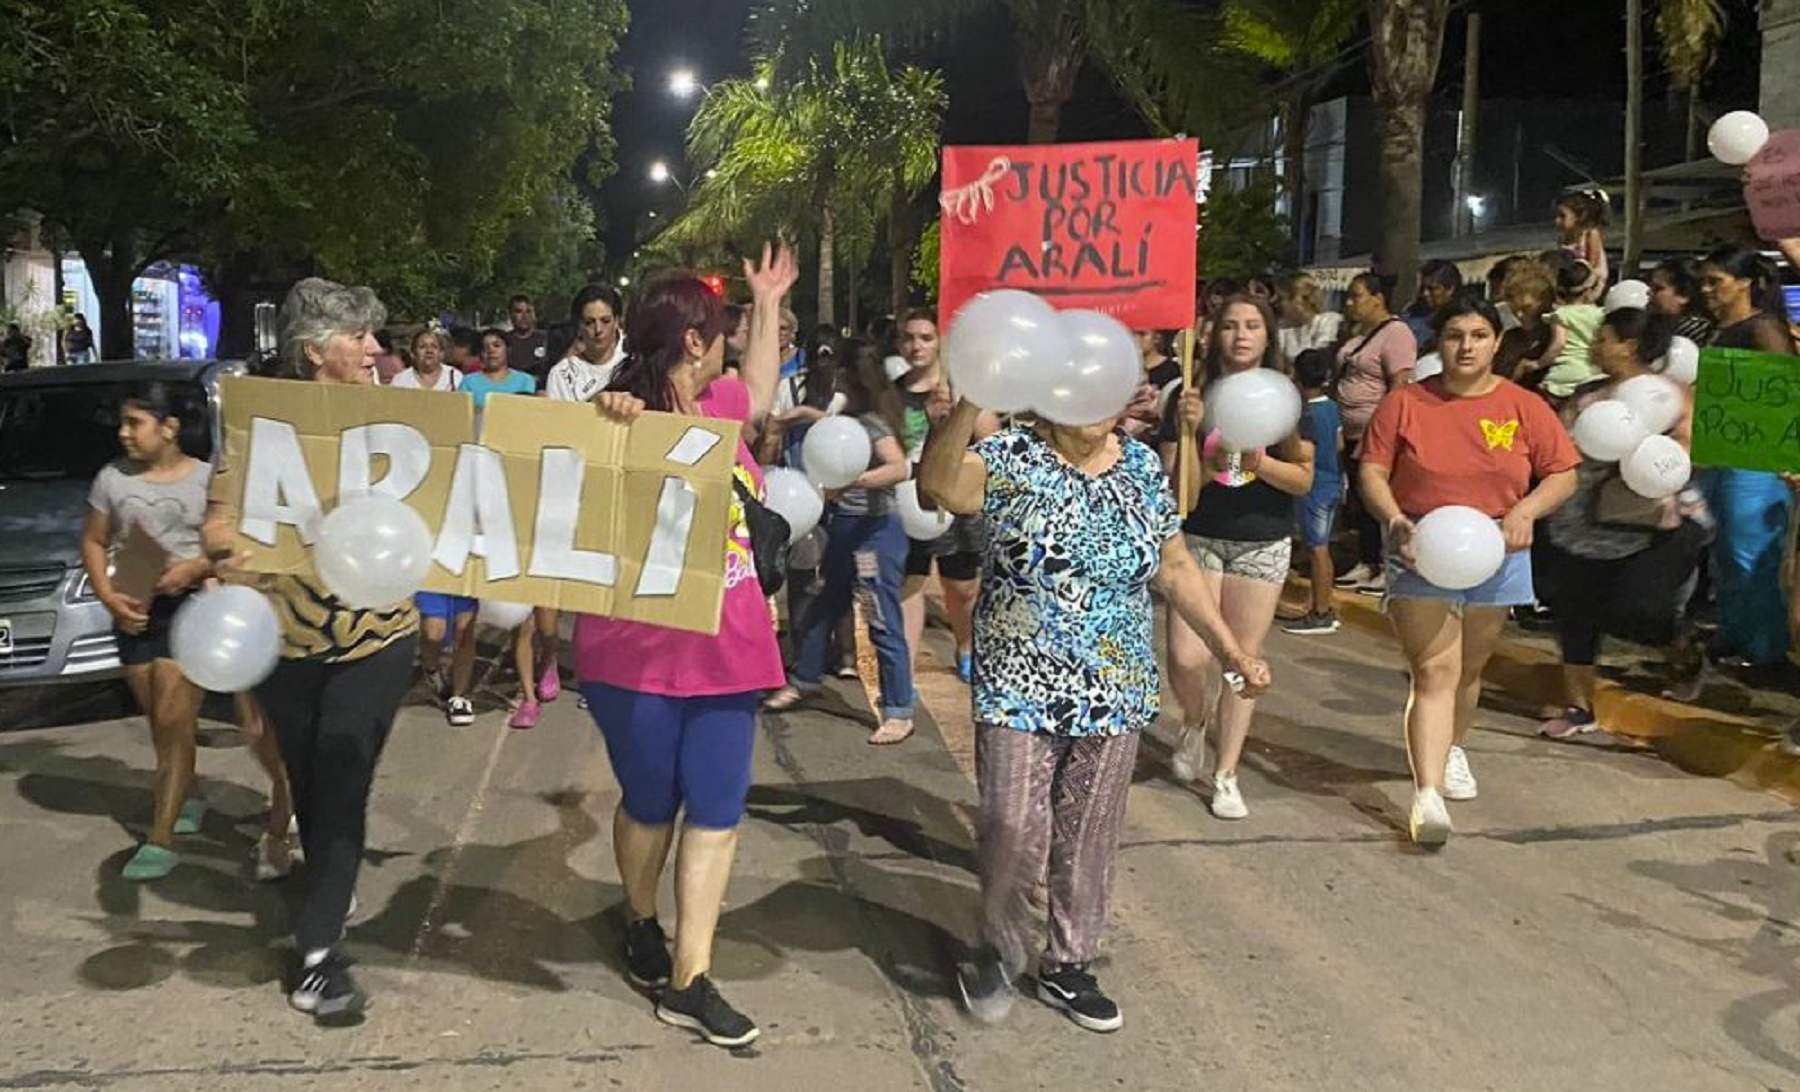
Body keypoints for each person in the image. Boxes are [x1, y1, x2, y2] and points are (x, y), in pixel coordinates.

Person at [918, 367, 1271, 1033]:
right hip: (1020, 679)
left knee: (1087, 834)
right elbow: (938, 486)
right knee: (1011, 824)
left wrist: (1231, 651)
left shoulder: (1139, 464)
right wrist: (969, 401)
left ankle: (1068, 962)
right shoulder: (1010, 455)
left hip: (1115, 684)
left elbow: (1173, 565)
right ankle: (999, 943)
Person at [576, 243, 798, 1048]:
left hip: (729, 649)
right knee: (649, 804)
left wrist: (768, 301)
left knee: (715, 809)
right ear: (694, 342)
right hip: (633, 655)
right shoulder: (613, 417)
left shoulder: (723, 409)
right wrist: (613, 428)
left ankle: (689, 978)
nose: (732, 340)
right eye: (722, 327)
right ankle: (640, 920)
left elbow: (766, 388)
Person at [204, 277, 420, 1020]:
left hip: (378, 638)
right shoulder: (259, 428)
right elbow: (219, 516)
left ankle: (319, 954)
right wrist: (223, 545)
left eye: (374, 336)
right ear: (314, 352)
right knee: (312, 785)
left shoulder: (404, 423)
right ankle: (332, 875)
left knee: (343, 766)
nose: (374, 350)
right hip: (289, 646)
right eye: (359, 337)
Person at [1358, 295, 1579, 846]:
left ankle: (1452, 745)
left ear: (1496, 343)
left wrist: (1527, 510)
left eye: (1478, 335)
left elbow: (1562, 473)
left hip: (1499, 548)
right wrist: (1394, 520)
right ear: (1440, 341)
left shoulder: (1523, 406)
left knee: (1470, 667)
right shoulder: (1405, 403)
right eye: (1455, 335)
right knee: (1435, 670)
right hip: (1422, 546)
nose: (1466, 346)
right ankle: (1426, 795)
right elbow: (1373, 471)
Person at [82, 382, 296, 882]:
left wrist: (195, 569)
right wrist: (108, 595)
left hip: (195, 610)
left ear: (170, 428)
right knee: (160, 721)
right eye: (123, 423)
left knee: (177, 719)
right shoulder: (111, 479)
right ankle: (190, 794)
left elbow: (235, 542)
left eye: (135, 423)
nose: (124, 433)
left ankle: (161, 837)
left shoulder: (207, 480)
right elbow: (95, 540)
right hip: (136, 607)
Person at [1158, 296, 1315, 819]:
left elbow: (1303, 478)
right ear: (1213, 335)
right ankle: (1194, 721)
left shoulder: (1289, 399)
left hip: (1262, 541)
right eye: (1229, 325)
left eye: (1252, 326)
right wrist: (1195, 435)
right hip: (1198, 537)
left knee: (1242, 660)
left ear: (1269, 336)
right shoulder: (1187, 395)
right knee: (1186, 655)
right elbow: (1175, 490)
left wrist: (1259, 462)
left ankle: (1226, 773)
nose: (1241, 335)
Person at [1536, 308, 1709, 736]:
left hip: (1652, 524)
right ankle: (1578, 706)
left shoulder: (1674, 395)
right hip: (1579, 523)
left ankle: (1683, 651)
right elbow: (1559, 447)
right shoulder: (1587, 394)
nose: (1595, 347)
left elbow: (1691, 449)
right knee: (1575, 611)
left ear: (1628, 346)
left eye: (1603, 339)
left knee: (1639, 611)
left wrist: (1647, 453)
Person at [765, 338, 916, 743]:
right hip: (847, 528)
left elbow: (899, 468)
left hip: (875, 533)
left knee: (878, 614)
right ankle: (807, 676)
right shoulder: (847, 417)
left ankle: (899, 708)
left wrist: (855, 480)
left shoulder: (872, 424)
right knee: (825, 602)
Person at [1697, 245, 1797, 669]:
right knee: (1722, 548)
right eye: (1704, 282)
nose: (1706, 290)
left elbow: (1786, 390)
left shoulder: (1765, 328)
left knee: (1750, 548)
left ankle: (1767, 644)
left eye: (1715, 282)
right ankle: (1733, 632)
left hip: (1759, 456)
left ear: (1743, 283)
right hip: (1718, 451)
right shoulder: (1713, 329)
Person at [896, 309, 998, 684]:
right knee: (909, 585)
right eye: (909, 337)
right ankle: (902, 668)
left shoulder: (963, 391)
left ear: (942, 343)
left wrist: (955, 420)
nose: (916, 346)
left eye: (926, 337)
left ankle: (966, 644)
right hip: (908, 505)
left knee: (962, 589)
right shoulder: (894, 393)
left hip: (956, 510)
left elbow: (993, 445)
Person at [1333, 272, 1416, 596]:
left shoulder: (1396, 333)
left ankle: (1385, 564)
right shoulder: (1358, 336)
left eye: (1357, 296)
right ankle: (1367, 560)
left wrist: (1386, 429)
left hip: (1375, 432)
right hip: (1351, 432)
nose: (1351, 303)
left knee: (1378, 498)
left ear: (1378, 298)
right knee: (1359, 502)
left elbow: (1399, 384)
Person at [1283, 348, 1345, 636]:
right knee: (1322, 548)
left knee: (1317, 549)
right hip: (1332, 482)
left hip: (1314, 486)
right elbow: (1341, 444)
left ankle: (1321, 611)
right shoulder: (1332, 408)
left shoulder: (1302, 413)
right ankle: (1321, 606)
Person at [1525, 251, 1605, 402]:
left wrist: (1538, 364)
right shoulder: (1600, 314)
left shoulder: (1561, 315)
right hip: (1593, 374)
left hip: (1564, 376)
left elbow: (1558, 344)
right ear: (1588, 289)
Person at [545, 285, 626, 404]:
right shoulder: (561, 375)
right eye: (589, 323)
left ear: (617, 321)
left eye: (605, 321)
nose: (598, 329)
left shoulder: (636, 358)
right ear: (579, 327)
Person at [1275, 273, 1343, 360]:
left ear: (1300, 299)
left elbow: (1319, 357)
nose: (1277, 303)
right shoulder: (1282, 327)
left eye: (1281, 298)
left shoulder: (1328, 321)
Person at [1649, 257, 1715, 346]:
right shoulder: (1657, 326)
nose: (1649, 292)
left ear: (1684, 295)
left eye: (1658, 288)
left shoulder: (1699, 333)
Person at [1554, 188, 1611, 292]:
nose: (1557, 221)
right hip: (1572, 278)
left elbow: (1591, 266)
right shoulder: (1563, 238)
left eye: (1562, 216)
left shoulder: (1590, 234)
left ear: (1580, 216)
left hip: (1592, 281)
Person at [1404, 260, 1464, 350]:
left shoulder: (1465, 317)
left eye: (1432, 289)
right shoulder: (1411, 315)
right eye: (1422, 288)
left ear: (1450, 289)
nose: (1425, 294)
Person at [390, 327, 462, 391]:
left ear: (441, 353)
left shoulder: (455, 377)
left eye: (434, 347)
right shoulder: (401, 380)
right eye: (422, 347)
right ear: (413, 354)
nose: (429, 351)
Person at [504, 293, 551, 381]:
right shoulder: (503, 341)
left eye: (528, 311)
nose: (524, 316)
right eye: (519, 311)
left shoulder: (547, 339)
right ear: (510, 314)